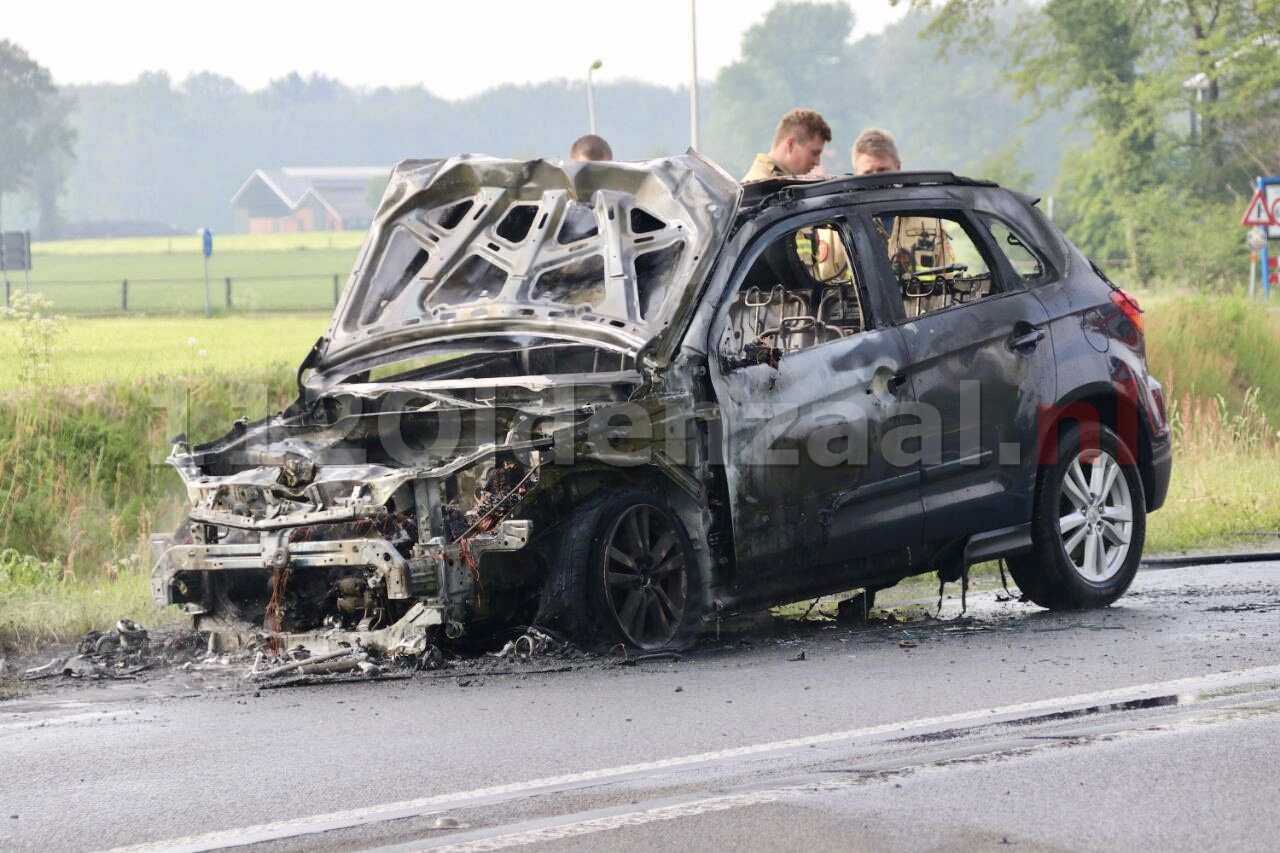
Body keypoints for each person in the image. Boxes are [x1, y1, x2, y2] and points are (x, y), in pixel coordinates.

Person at [852, 127, 955, 315]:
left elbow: (947, 286)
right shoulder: (839, 228)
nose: (875, 180)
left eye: (882, 170)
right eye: (868, 173)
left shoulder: (930, 221)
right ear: (856, 174)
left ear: (898, 167)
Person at [742, 109, 832, 181]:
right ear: (790, 145)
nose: (817, 162)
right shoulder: (761, 188)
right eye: (814, 153)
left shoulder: (777, 184)